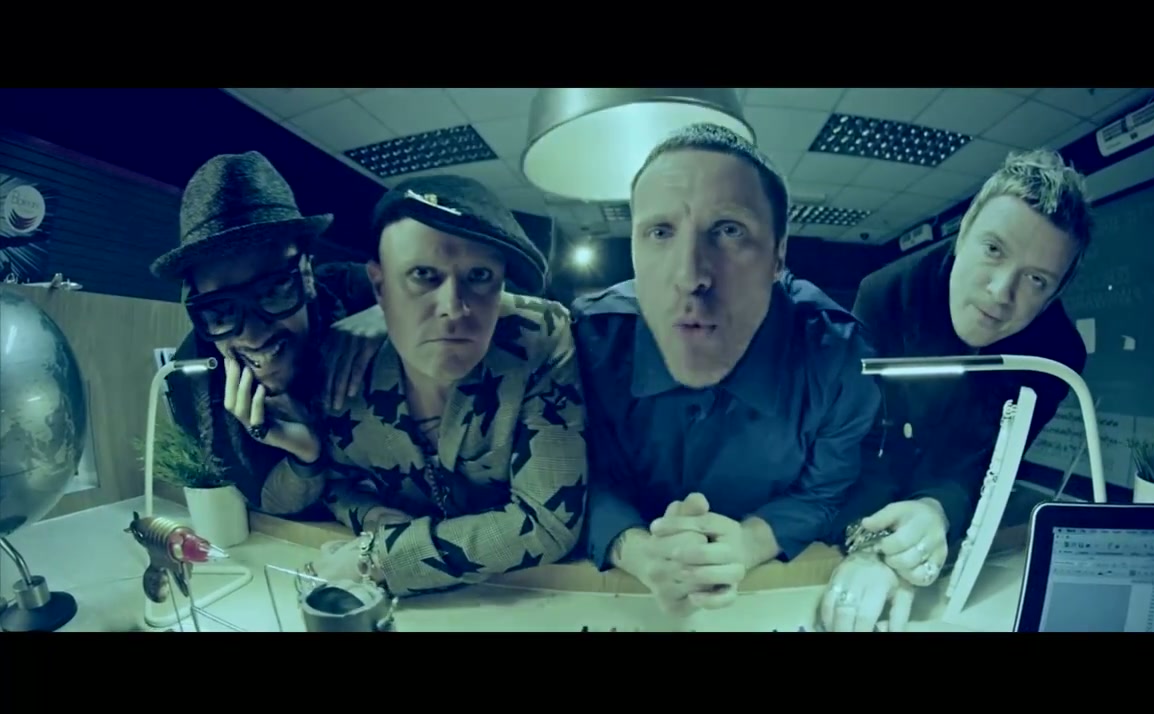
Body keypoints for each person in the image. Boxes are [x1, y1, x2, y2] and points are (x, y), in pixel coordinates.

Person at [574, 123, 882, 615]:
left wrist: (749, 543)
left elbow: (824, 491)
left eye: (729, 230)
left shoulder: (838, 355)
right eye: (660, 232)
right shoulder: (588, 342)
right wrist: (635, 549)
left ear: (778, 255)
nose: (690, 276)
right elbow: (574, 477)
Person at [818, 148, 1093, 632]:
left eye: (1035, 279)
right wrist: (875, 546)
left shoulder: (1058, 353)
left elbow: (994, 461)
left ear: (1055, 293)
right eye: (993, 249)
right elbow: (859, 442)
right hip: (872, 477)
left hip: (959, 502)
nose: (1000, 292)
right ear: (962, 233)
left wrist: (937, 511)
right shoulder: (885, 294)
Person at [300, 176, 587, 598]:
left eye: (480, 275)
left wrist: (381, 556)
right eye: (423, 275)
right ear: (379, 286)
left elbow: (548, 522)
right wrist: (372, 515)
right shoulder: (344, 366)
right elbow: (334, 483)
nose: (454, 308)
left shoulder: (536, 337)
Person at [152, 151, 387, 518]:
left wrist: (395, 313)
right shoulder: (197, 379)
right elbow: (268, 501)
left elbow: (472, 298)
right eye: (220, 309)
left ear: (307, 274)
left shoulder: (356, 289)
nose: (253, 335)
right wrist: (304, 455)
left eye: (274, 290)